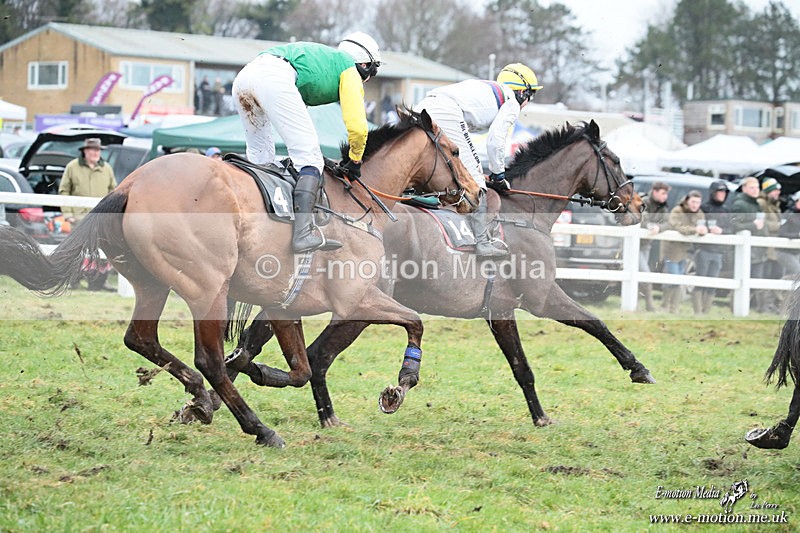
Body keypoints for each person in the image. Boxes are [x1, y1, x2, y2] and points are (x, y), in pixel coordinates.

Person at [232, 32, 381, 253]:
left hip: (245, 77)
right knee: (309, 159)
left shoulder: (324, 61)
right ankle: (302, 234)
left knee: (261, 156)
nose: (368, 80)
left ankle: (254, 219)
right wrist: (355, 160)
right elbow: (358, 127)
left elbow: (297, 117)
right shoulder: (349, 69)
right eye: (373, 72)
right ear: (365, 64)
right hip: (273, 77)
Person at [414, 63, 542, 257]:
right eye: (530, 96)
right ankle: (482, 243)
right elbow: (495, 142)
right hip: (445, 111)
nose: (527, 103)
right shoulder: (512, 103)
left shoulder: (488, 91)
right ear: (523, 92)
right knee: (474, 181)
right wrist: (498, 174)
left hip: (422, 107)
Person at [58, 138, 117, 291]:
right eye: (93, 150)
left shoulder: (107, 168)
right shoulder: (72, 167)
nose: (96, 153)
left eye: (98, 150)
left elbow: (114, 191)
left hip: (101, 219)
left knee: (103, 251)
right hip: (79, 218)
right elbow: (64, 191)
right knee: (77, 251)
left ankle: (100, 282)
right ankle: (73, 281)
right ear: (85, 151)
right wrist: (68, 214)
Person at [661, 190, 707, 313]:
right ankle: (670, 307)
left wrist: (703, 231)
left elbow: (701, 228)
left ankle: (668, 306)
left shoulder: (699, 214)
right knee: (675, 279)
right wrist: (694, 229)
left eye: (698, 202)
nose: (695, 205)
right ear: (687, 200)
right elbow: (677, 226)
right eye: (693, 201)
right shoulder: (677, 211)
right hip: (671, 249)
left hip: (685, 251)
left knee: (678, 279)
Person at [731, 176, 769, 313]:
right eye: (752, 187)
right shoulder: (740, 204)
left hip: (757, 248)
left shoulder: (756, 204)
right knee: (744, 279)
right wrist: (753, 225)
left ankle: (759, 308)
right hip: (746, 250)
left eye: (757, 187)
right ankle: (741, 308)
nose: (755, 190)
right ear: (744, 188)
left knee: (757, 278)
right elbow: (735, 225)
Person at [693, 180, 730, 314]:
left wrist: (722, 231)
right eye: (719, 192)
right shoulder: (704, 208)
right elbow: (698, 224)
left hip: (719, 251)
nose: (722, 194)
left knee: (713, 281)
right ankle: (697, 311)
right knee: (701, 279)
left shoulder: (726, 210)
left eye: (724, 192)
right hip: (703, 249)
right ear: (713, 193)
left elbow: (730, 228)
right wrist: (707, 229)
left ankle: (706, 311)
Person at [639, 181, 671, 311]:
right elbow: (641, 219)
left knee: (641, 274)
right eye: (663, 193)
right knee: (645, 273)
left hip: (646, 245)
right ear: (655, 191)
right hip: (635, 245)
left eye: (666, 194)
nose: (665, 197)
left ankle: (639, 304)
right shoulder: (643, 202)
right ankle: (649, 304)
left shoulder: (663, 206)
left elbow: (668, 223)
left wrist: (659, 227)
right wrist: (650, 226)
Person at [777, 191, 800, 278]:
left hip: (796, 251)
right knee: (797, 271)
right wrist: (797, 235)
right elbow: (781, 233)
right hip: (785, 251)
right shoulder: (788, 215)